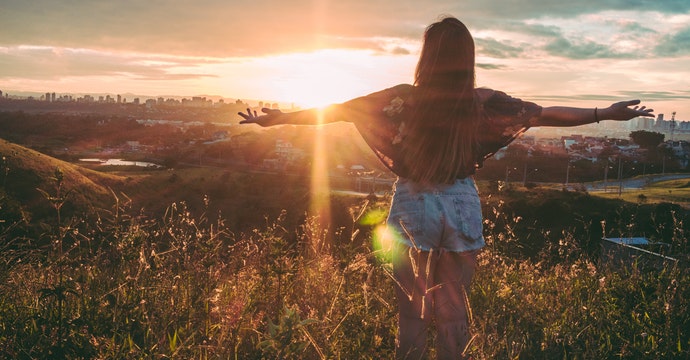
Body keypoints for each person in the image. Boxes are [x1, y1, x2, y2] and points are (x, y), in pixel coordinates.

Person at [239, 16, 654, 360]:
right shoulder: (484, 102)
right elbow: (547, 114)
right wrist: (604, 112)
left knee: (413, 315)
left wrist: (276, 119)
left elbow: (334, 112)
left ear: (427, 57)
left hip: (414, 203)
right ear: (467, 59)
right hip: (461, 203)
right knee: (455, 315)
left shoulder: (401, 100)